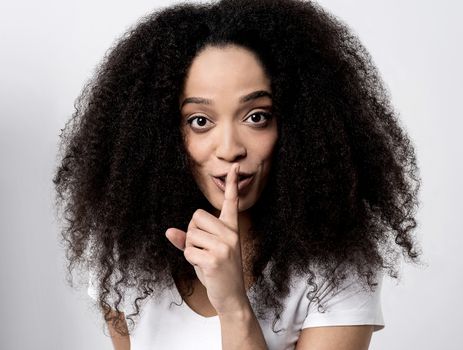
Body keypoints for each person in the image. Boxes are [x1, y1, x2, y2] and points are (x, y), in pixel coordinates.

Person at [53, 0, 422, 349]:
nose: (230, 148)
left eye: (256, 116)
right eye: (200, 121)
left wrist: (233, 305)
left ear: (298, 126)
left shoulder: (336, 269)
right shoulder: (127, 258)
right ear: (162, 136)